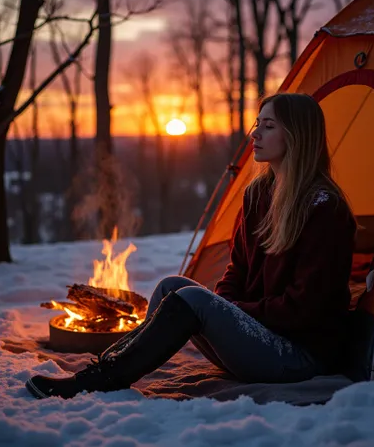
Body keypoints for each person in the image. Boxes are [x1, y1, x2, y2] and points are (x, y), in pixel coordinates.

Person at [26, 93, 357, 400]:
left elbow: (303, 310)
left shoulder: (325, 209)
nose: (255, 134)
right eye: (258, 123)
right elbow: (237, 269)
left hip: (296, 357)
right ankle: (107, 367)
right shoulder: (257, 195)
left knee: (194, 299)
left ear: (297, 136)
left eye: (268, 126)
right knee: (171, 286)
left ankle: (98, 382)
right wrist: (226, 308)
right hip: (256, 338)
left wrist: (231, 312)